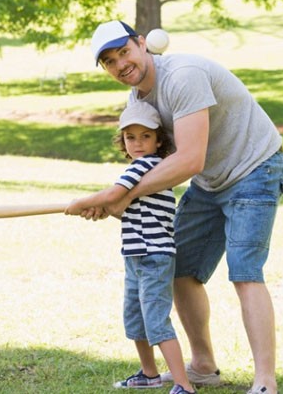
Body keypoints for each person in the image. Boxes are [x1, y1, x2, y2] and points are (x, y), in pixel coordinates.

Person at [85, 20, 283, 394]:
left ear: (142, 44)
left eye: (124, 52)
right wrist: (118, 196)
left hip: (254, 167)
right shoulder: (138, 101)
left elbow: (190, 159)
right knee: (179, 268)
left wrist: (120, 195)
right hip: (211, 182)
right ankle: (204, 365)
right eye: (110, 61)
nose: (120, 65)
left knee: (245, 272)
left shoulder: (184, 76)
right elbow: (155, 163)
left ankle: (265, 382)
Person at [65, 101, 197, 394]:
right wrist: (102, 209)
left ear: (159, 140)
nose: (137, 143)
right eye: (130, 137)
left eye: (145, 136)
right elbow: (126, 209)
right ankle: (149, 374)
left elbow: (114, 194)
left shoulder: (147, 165)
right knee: (135, 315)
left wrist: (81, 203)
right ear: (123, 140)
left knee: (155, 319)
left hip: (154, 256)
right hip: (136, 254)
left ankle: (183, 385)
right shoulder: (143, 170)